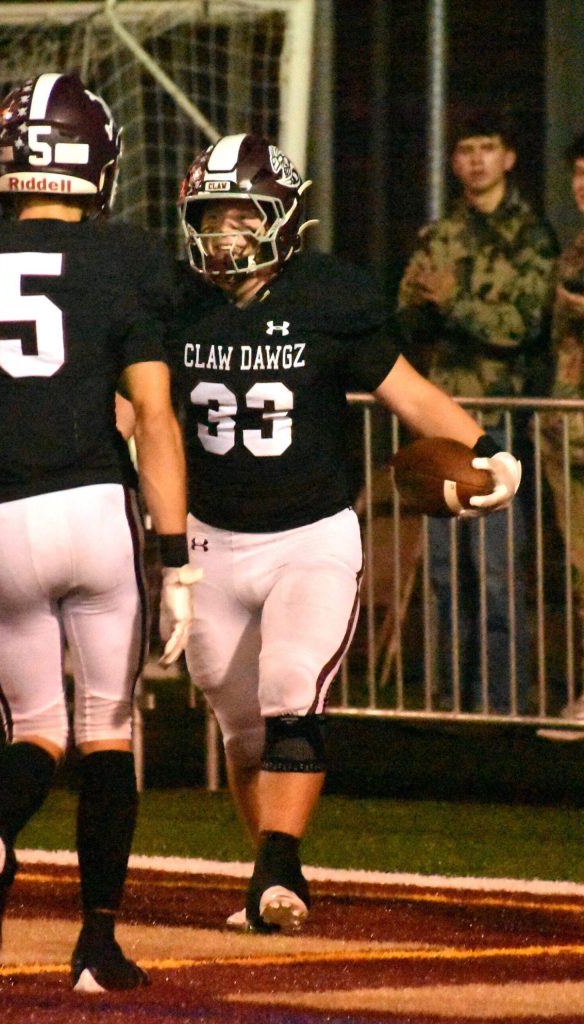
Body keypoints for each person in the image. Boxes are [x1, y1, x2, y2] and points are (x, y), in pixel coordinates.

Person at [164, 133, 521, 933]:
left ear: (283, 219)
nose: (222, 235)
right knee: (237, 715)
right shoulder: (177, 300)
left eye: (240, 216)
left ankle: (279, 869)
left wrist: (490, 450)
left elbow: (411, 394)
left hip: (308, 534)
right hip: (210, 538)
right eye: (210, 217)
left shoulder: (330, 295)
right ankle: (269, 867)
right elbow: (142, 408)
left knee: (293, 686)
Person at [0, 72, 199, 992]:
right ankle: (97, 945)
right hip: (95, 516)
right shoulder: (127, 259)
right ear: (96, 161)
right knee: (108, 729)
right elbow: (153, 418)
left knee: (33, 729)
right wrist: (177, 555)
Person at [397, 110, 557, 714]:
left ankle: (501, 702)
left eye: (488, 147)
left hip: (498, 421)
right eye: (465, 149)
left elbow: (522, 326)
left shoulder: (533, 237)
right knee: (442, 572)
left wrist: (453, 302)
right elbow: (406, 317)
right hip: (439, 423)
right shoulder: (439, 235)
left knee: (495, 571)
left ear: (509, 158)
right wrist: (422, 307)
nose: (476, 160)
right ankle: (445, 700)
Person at [538, 131, 584, 740]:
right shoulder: (571, 250)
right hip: (567, 429)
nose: (581, 186)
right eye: (577, 174)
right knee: (579, 570)